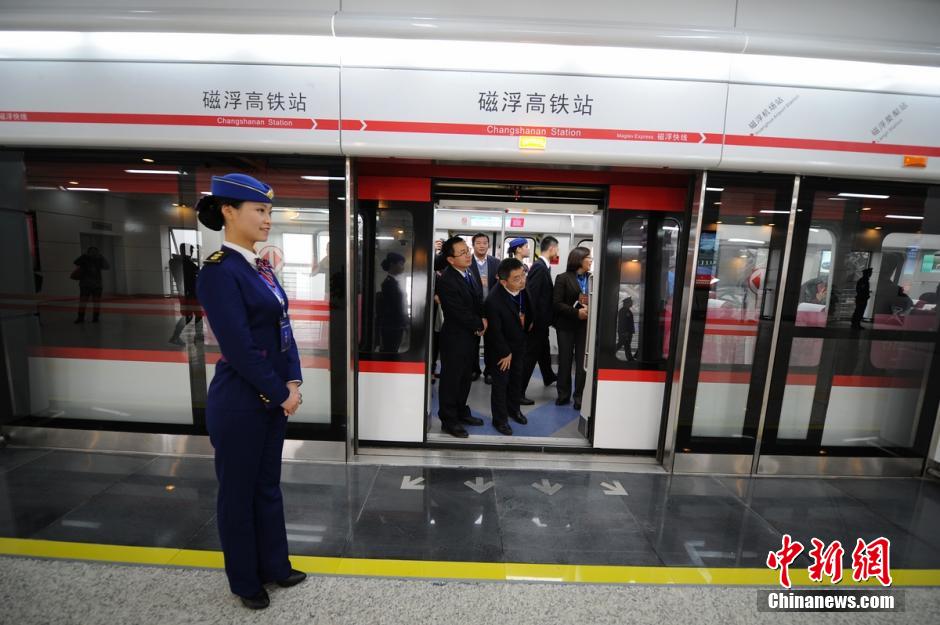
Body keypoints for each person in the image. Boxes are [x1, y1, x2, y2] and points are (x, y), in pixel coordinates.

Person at [194, 173, 306, 610]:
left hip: (273, 397)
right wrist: (281, 393)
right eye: (259, 210)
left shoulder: (260, 267)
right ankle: (245, 580)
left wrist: (292, 380)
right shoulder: (219, 272)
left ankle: (275, 565)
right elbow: (238, 347)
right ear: (228, 211)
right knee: (237, 495)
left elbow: (284, 329)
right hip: (240, 403)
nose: (267, 219)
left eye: (269, 211)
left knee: (267, 487)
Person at [435, 236, 487, 438]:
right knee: (452, 379)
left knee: (465, 377)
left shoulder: (468, 272)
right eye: (462, 253)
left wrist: (483, 318)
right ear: (450, 259)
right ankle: (448, 419)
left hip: (471, 336)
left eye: (467, 250)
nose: (468, 255)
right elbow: (458, 311)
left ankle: (461, 411)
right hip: (455, 338)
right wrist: (479, 324)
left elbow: (478, 299)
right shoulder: (447, 280)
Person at [484, 258, 533, 435]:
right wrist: (505, 353)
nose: (522, 281)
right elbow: (494, 331)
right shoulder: (493, 300)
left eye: (523, 275)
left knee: (516, 380)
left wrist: (529, 322)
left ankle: (514, 410)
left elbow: (529, 308)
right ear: (503, 281)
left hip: (519, 344)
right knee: (501, 384)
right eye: (516, 278)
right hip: (501, 349)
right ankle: (500, 420)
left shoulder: (522, 288)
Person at [521, 236, 558, 403]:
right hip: (537, 322)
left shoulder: (544, 267)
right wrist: (531, 320)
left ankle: (548, 375)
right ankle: (518, 391)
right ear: (551, 248)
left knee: (544, 350)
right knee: (530, 356)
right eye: (557, 249)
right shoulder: (539, 267)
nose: (557, 252)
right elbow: (532, 295)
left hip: (542, 321)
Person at [553, 247, 592, 410]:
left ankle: (579, 397)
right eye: (588, 257)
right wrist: (577, 313)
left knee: (582, 362)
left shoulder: (592, 278)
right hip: (566, 326)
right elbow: (557, 304)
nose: (591, 260)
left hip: (585, 327)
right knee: (565, 361)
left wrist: (590, 310)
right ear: (579, 259)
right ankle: (563, 395)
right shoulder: (563, 278)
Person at [468, 233, 500, 383]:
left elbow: (501, 284)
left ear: (489, 245)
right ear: (473, 245)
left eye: (485, 243)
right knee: (472, 342)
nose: (482, 245)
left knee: (492, 342)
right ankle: (474, 369)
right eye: (478, 243)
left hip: (491, 308)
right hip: (473, 308)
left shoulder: (496, 262)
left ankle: (490, 371)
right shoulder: (467, 262)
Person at [168, 243, 203, 345]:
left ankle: (176, 337)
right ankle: (196, 336)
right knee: (194, 315)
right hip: (190, 294)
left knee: (190, 316)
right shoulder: (186, 263)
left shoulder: (177, 262)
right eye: (191, 251)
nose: (191, 253)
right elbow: (197, 272)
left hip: (186, 293)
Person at [376, 251, 407, 352]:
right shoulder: (388, 284)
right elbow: (395, 307)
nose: (403, 267)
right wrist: (403, 323)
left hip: (395, 325)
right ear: (392, 265)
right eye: (401, 264)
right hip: (392, 326)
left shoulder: (394, 282)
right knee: (390, 350)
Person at [72, 246, 110, 323]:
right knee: (83, 302)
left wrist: (101, 257)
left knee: (96, 303)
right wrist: (84, 256)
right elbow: (76, 262)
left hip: (96, 285)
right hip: (85, 285)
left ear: (97, 252)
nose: (93, 253)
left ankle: (95, 318)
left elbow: (107, 266)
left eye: (95, 251)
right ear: (88, 252)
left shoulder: (99, 259)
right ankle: (80, 318)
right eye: (91, 251)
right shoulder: (85, 258)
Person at [617, 296, 636, 361]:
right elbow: (623, 322)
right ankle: (630, 359)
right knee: (623, 344)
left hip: (627, 332)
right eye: (631, 302)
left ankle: (630, 358)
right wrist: (625, 332)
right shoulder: (624, 311)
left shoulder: (626, 310)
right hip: (625, 332)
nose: (632, 303)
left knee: (625, 345)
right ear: (627, 303)